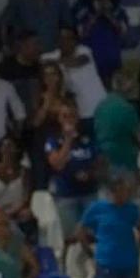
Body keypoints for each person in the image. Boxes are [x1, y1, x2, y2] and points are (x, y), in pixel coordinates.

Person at [77, 172, 140, 278]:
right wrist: (89, 252)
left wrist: (138, 247)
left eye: (126, 191)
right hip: (106, 263)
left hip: (129, 263)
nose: (124, 195)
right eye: (121, 191)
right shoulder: (97, 208)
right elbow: (81, 231)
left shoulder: (132, 209)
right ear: (112, 192)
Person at [46, 99, 100, 238]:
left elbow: (100, 163)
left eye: (72, 115)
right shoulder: (53, 140)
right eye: (65, 116)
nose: (69, 119)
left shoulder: (88, 137)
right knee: (71, 237)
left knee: (92, 235)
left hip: (89, 194)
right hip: (66, 196)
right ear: (59, 119)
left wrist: (90, 173)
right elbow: (58, 164)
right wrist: (68, 139)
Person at [73, 0, 130, 86]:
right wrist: (96, 14)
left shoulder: (117, 8)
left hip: (112, 64)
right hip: (89, 65)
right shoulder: (82, 7)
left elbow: (123, 32)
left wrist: (109, 15)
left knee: (111, 100)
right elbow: (81, 33)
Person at [45, 25, 106, 124]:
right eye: (61, 38)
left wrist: (55, 63)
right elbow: (42, 62)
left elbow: (77, 62)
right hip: (77, 113)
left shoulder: (84, 50)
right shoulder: (52, 56)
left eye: (69, 39)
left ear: (75, 41)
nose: (65, 42)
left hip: (100, 108)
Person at [0, 136, 36, 243]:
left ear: (17, 149)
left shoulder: (25, 172)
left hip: (16, 212)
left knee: (28, 215)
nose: (7, 149)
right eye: (4, 146)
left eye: (10, 146)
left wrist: (10, 213)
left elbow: (26, 199)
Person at [95, 70, 140, 173]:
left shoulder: (100, 106)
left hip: (104, 159)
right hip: (123, 157)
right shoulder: (127, 108)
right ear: (127, 85)